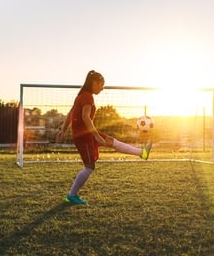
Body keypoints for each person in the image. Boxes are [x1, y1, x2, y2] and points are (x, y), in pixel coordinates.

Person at [56, 70, 152, 204]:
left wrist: (63, 130)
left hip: (86, 133)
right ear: (94, 83)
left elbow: (71, 113)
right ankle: (71, 195)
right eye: (101, 84)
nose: (102, 88)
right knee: (89, 166)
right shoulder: (87, 96)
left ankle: (142, 153)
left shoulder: (81, 95)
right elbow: (85, 117)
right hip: (84, 136)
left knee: (113, 142)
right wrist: (96, 136)